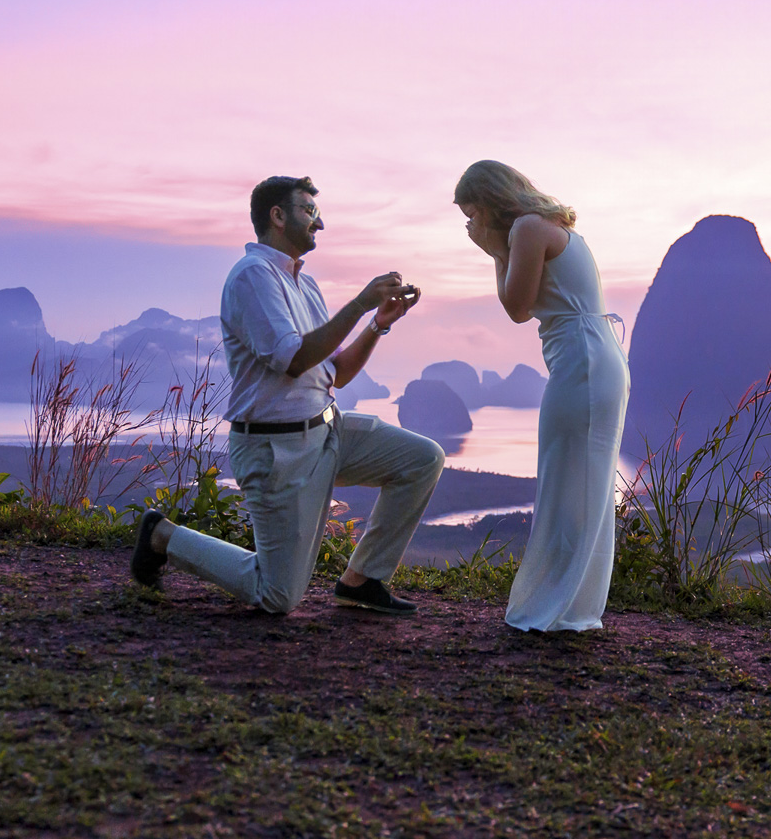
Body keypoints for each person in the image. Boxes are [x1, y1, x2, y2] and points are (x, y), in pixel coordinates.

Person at [130, 175, 444, 616]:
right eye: (309, 212)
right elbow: (293, 359)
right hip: (276, 448)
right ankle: (163, 536)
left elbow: (336, 374)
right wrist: (358, 304)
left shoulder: (305, 284)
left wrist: (378, 323)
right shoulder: (252, 277)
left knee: (422, 459)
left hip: (328, 430)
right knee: (278, 597)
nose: (320, 223)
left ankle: (362, 579)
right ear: (277, 216)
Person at [455, 160, 629, 632]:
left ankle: (556, 607)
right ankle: (572, 605)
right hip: (593, 359)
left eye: (472, 212)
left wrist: (494, 251)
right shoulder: (553, 227)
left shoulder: (529, 228)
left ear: (491, 203)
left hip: (582, 362)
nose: (470, 225)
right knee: (581, 485)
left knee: (566, 482)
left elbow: (517, 307)